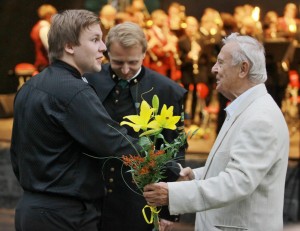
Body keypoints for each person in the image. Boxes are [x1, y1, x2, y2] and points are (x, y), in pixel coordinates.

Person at [10, 9, 143, 231]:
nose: (103, 47)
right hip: (63, 216)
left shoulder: (29, 87)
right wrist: (167, 166)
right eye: (95, 40)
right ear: (69, 46)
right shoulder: (74, 91)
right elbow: (113, 141)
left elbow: (17, 155)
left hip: (32, 209)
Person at [144, 33, 290, 231]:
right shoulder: (249, 109)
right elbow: (233, 167)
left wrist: (173, 194)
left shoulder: (260, 117)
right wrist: (195, 177)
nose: (214, 69)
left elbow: (238, 181)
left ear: (243, 69)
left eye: (220, 62)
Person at [84, 21, 187, 231]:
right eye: (117, 62)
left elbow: (174, 150)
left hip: (137, 201)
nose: (125, 70)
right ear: (106, 52)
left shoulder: (167, 90)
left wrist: (168, 211)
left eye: (132, 62)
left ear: (144, 53)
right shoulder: (88, 80)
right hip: (90, 196)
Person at [30, 4, 57, 71]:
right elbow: (51, 48)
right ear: (48, 15)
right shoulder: (44, 29)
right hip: (46, 65)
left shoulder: (38, 27)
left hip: (43, 65)